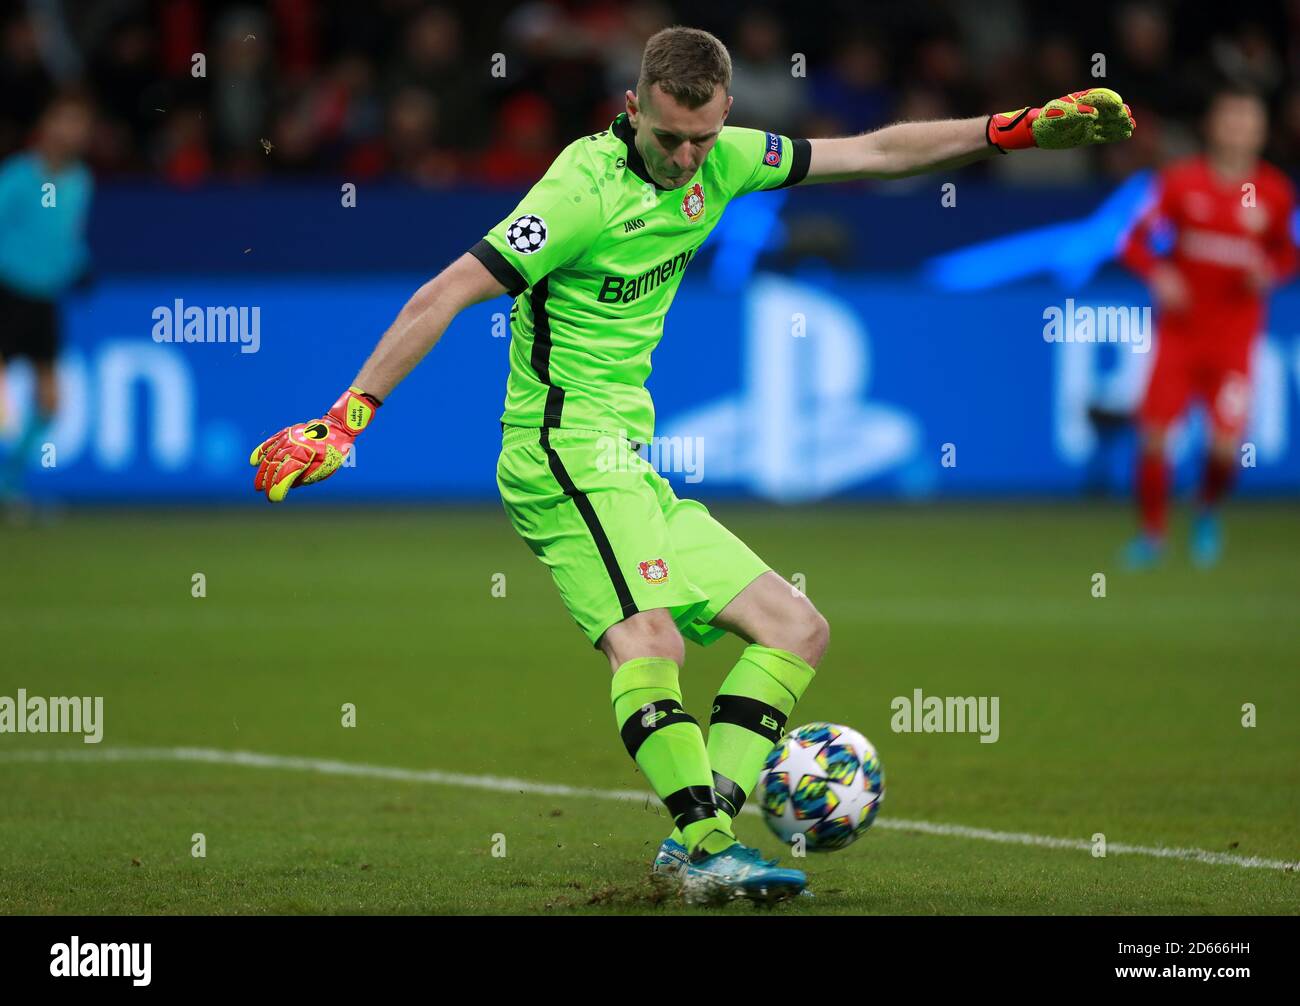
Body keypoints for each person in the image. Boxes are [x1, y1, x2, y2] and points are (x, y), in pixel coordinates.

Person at [250, 27, 1133, 904]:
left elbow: (875, 150)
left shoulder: (728, 159)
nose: (683, 158)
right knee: (651, 641)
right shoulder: (578, 191)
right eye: (666, 136)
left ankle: (693, 839)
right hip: (559, 451)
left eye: (701, 138)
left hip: (627, 461)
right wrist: (347, 416)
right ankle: (710, 848)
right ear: (632, 108)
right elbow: (445, 291)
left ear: (727, 115)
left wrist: (1008, 130)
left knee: (796, 628)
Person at [1121, 86, 1296, 568]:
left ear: (1261, 130)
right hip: (1179, 337)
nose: (1238, 128)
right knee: (1155, 436)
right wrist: (1159, 272)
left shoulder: (1275, 193)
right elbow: (1134, 241)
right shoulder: (1182, 184)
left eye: (1248, 120)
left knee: (1225, 447)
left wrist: (1272, 272)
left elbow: (1288, 252)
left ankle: (1206, 510)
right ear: (1212, 126)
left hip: (1234, 342)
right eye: (1230, 118)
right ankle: (1152, 534)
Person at [0, 92, 95, 504]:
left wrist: (79, 263)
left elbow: (68, 235)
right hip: (7, 291)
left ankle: (9, 484)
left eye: (79, 122)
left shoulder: (80, 181)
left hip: (44, 300)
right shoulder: (18, 175)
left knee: (50, 401)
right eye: (64, 120)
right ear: (46, 125)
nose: (71, 131)